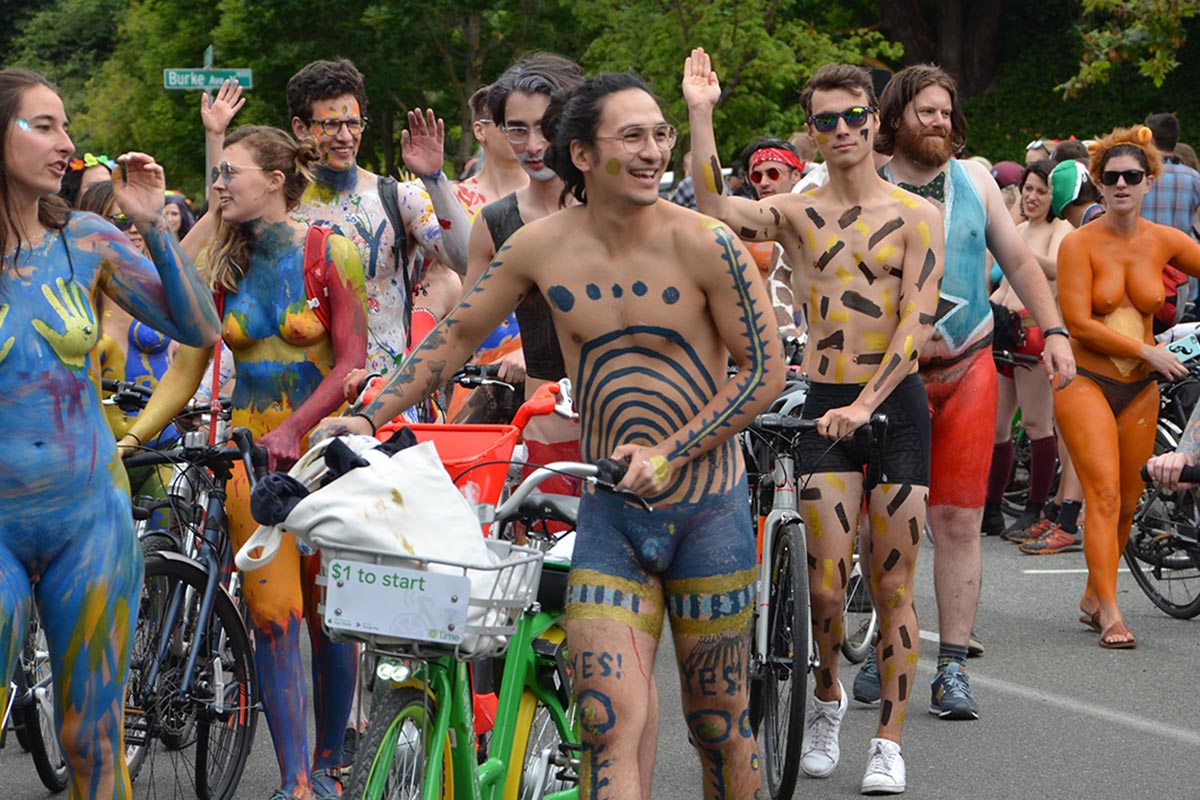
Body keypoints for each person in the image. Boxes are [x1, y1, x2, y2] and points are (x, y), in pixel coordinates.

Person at [315, 70, 786, 800]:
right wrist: (371, 413)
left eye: (660, 134)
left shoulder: (707, 243)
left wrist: (671, 452)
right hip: (610, 520)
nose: (653, 150)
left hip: (707, 512)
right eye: (632, 135)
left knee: (718, 723)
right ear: (583, 154)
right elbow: (457, 332)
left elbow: (763, 372)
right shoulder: (538, 246)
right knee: (603, 721)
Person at [686, 51, 944, 794]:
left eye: (852, 116)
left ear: (874, 121)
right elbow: (714, 210)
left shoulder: (916, 216)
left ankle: (889, 742)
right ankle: (826, 694)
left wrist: (869, 403)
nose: (840, 130)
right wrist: (702, 113)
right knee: (826, 588)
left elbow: (915, 321)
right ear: (811, 131)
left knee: (894, 588)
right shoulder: (797, 212)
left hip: (893, 407)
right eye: (824, 120)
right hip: (827, 400)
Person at [0, 68, 220, 798]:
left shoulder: (88, 241)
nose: (66, 144)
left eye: (66, 126)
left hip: (87, 519)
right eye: (44, 126)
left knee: (93, 737)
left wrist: (156, 226)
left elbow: (197, 327)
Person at [855, 64, 1076, 720]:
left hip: (969, 369)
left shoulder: (976, 181)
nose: (940, 122)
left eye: (946, 112)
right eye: (926, 111)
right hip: (890, 381)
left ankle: (951, 665)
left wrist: (1056, 331)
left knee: (957, 521)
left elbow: (1019, 263)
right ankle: (882, 643)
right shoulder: (862, 183)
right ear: (896, 117)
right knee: (882, 522)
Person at [1055, 125, 1200, 648]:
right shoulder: (1078, 244)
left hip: (1139, 387)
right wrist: (1148, 351)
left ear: (1148, 182)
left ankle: (1096, 594)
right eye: (1110, 177)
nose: (1121, 185)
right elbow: (1076, 323)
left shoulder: (1162, 239)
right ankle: (1110, 612)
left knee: (1130, 498)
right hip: (1086, 379)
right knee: (1105, 492)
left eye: (1131, 176)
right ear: (1097, 183)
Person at [984, 159, 1074, 542]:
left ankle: (1035, 508)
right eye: (1028, 189)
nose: (1033, 197)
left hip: (1036, 334)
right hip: (1004, 332)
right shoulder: (1019, 226)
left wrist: (1018, 251)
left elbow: (1057, 268)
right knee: (998, 426)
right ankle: (991, 507)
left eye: (1041, 190)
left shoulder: (1061, 229)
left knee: (1037, 424)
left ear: (1055, 194)